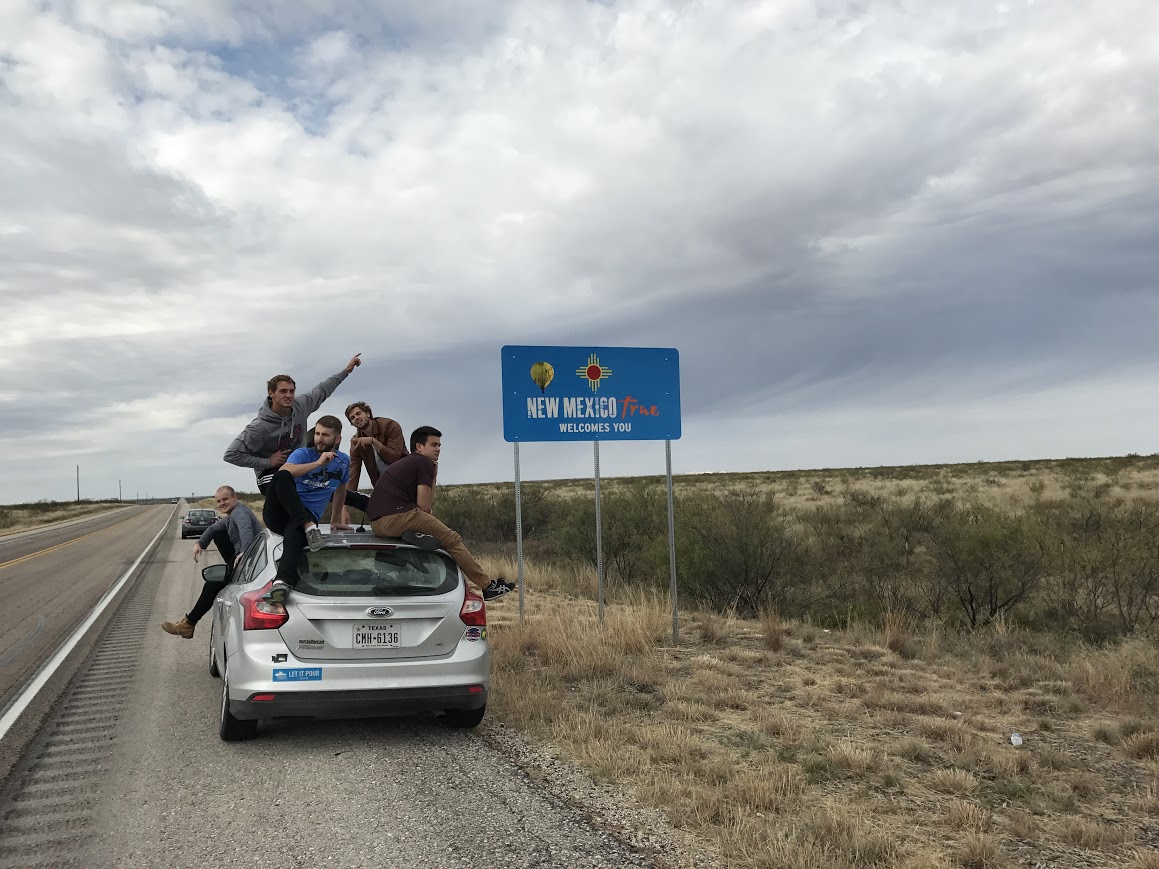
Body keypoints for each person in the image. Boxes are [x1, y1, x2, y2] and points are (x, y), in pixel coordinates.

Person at [366, 426, 513, 601]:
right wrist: (432, 477)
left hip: (378, 524)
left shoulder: (409, 462)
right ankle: (488, 587)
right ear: (419, 447)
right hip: (397, 518)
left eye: (439, 445)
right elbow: (424, 506)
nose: (438, 449)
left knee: (429, 530)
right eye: (434, 445)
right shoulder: (423, 462)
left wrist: (432, 480)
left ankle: (416, 538)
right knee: (451, 539)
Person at [223, 354, 362, 494]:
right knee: (286, 481)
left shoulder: (300, 406)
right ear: (271, 393)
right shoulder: (258, 427)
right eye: (283, 391)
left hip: (299, 466)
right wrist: (267, 462)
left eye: (291, 391)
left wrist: (346, 371)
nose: (288, 395)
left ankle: (366, 503)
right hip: (270, 473)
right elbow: (231, 454)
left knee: (325, 484)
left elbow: (322, 390)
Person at [263, 416, 352, 604]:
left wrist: (336, 520)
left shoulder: (344, 461)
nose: (319, 438)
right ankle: (309, 526)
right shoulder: (303, 454)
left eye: (325, 435)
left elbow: (341, 489)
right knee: (281, 476)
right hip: (279, 511)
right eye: (317, 433)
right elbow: (286, 471)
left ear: (337, 439)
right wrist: (319, 463)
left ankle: (281, 583)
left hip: (304, 516)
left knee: (295, 531)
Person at [161, 486, 262, 639]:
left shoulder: (239, 513)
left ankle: (188, 624)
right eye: (219, 501)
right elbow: (213, 528)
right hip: (245, 563)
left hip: (250, 565)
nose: (222, 503)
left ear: (235, 498)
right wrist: (200, 544)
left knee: (211, 586)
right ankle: (188, 624)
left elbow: (246, 530)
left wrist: (244, 553)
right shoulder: (230, 517)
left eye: (225, 499)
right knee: (218, 533)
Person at [339, 401, 409, 526]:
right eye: (352, 418)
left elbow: (394, 457)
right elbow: (353, 474)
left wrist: (373, 442)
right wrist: (344, 508)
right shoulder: (356, 442)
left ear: (368, 413)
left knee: (411, 517)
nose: (356, 418)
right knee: (387, 521)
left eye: (358, 413)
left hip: (406, 481)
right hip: (384, 486)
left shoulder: (390, 426)